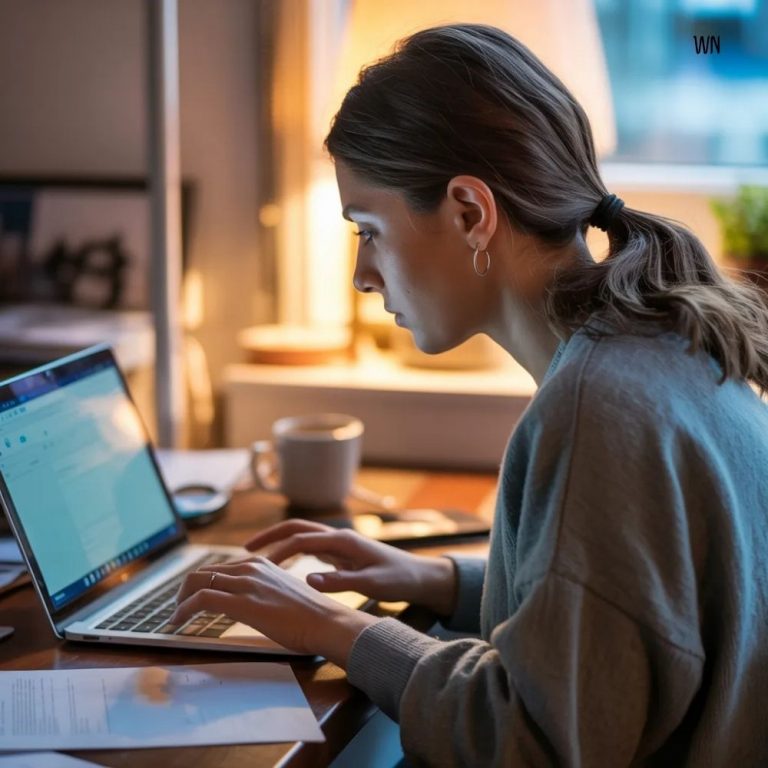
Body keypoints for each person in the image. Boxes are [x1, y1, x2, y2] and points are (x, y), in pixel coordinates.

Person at [171, 24, 768, 766]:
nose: (362, 275)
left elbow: (531, 741)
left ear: (469, 213)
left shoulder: (596, 409)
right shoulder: (659, 346)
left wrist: (335, 627)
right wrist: (437, 579)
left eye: (369, 230)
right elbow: (625, 611)